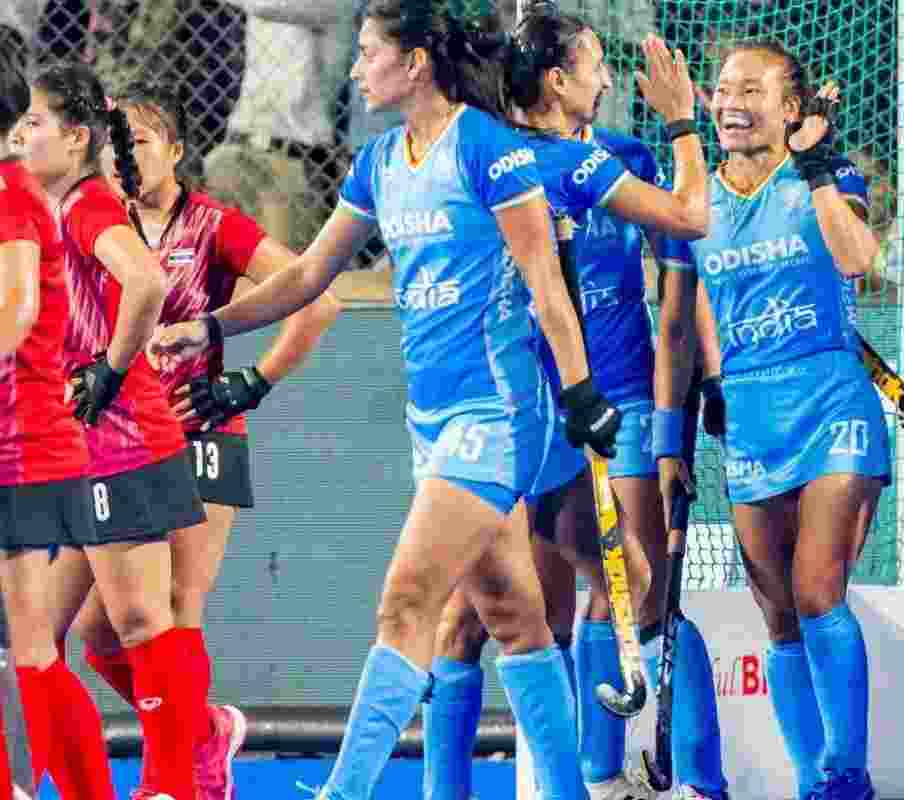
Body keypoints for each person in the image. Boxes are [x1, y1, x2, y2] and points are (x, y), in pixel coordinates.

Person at [147, 2, 684, 797]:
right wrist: (211, 327)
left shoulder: (492, 152)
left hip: (494, 416)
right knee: (514, 620)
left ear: (417, 62)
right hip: (429, 423)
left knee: (407, 603)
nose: (358, 67)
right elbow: (305, 276)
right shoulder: (378, 162)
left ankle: (346, 790)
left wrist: (577, 393)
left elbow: (546, 289)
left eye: (369, 52)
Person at [416, 6, 723, 800]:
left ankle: (613, 775)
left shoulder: (612, 155)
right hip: (521, 410)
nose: (610, 78)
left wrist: (672, 421)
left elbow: (681, 288)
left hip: (597, 404)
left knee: (609, 587)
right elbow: (693, 213)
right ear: (557, 80)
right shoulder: (535, 159)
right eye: (594, 64)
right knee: (480, 611)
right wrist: (686, 118)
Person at [90, 82, 343, 800]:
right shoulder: (99, 225)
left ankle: (176, 781)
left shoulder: (212, 226)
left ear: (175, 151)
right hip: (119, 444)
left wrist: (251, 381)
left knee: (177, 609)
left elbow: (315, 298)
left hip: (200, 434)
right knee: (97, 633)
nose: (123, 156)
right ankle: (205, 731)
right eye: (114, 144)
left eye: (137, 141)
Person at [656, 37, 890, 800]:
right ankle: (809, 781)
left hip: (831, 403)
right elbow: (687, 316)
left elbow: (859, 260)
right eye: (723, 89)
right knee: (780, 615)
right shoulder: (695, 196)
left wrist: (817, 165)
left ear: (792, 110)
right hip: (750, 414)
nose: (731, 103)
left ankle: (847, 777)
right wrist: (698, 405)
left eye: (752, 91)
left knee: (819, 590)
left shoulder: (824, 176)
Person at [12, 61, 211, 800]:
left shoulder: (88, 204)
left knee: (137, 620)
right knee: (41, 638)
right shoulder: (39, 204)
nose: (22, 133)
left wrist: (110, 369)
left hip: (121, 436)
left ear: (76, 136)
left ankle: (170, 786)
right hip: (69, 441)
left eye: (35, 122)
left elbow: (150, 282)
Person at [0, 47, 115, 800]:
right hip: (21, 440)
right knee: (27, 645)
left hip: (25, 443)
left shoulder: (11, 198)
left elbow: (16, 313)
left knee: (32, 646)